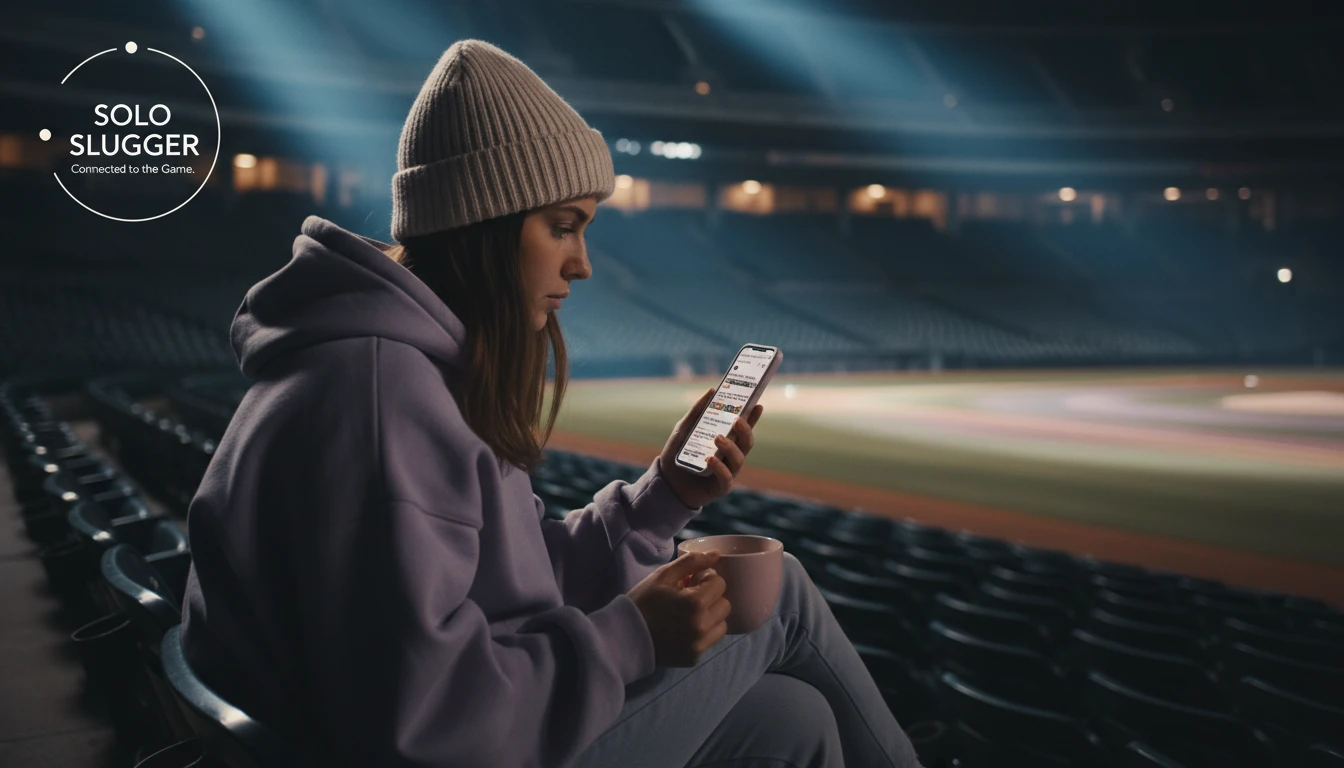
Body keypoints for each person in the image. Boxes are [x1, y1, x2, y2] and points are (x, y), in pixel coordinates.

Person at [180, 39, 922, 768]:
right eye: (561, 226)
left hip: (439, 727)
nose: (583, 263)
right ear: (484, 227)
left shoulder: (395, 371)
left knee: (791, 720)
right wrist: (630, 636)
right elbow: (421, 724)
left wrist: (663, 497)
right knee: (778, 590)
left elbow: (524, 583)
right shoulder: (382, 398)